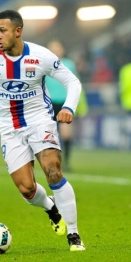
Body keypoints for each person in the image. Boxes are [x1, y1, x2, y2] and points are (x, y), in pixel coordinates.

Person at [0, 10, 85, 251]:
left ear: (18, 31)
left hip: (39, 121)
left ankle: (74, 235)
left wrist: (68, 108)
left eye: (2, 31)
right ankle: (51, 208)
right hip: (9, 128)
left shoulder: (41, 56)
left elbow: (72, 82)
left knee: (53, 171)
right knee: (27, 189)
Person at [44, 39, 83, 172]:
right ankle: (52, 162)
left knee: (66, 134)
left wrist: (75, 105)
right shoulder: (43, 64)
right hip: (48, 104)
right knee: (49, 135)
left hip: (64, 104)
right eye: (52, 48)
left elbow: (75, 84)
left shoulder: (68, 64)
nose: (55, 50)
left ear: (62, 50)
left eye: (57, 48)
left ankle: (66, 162)